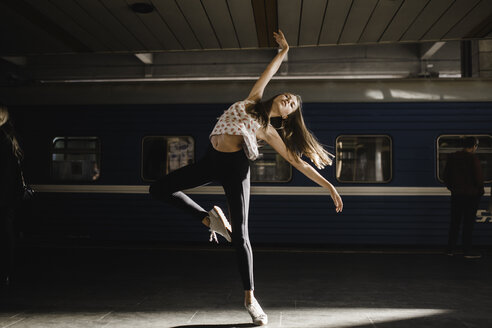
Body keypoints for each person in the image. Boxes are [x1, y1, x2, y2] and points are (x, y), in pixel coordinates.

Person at [149, 30, 343, 326]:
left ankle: (251, 299)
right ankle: (208, 219)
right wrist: (283, 52)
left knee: (241, 234)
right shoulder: (253, 100)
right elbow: (268, 72)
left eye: (293, 105)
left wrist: (329, 186)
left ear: (287, 116)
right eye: (289, 96)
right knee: (159, 189)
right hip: (211, 160)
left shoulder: (269, 129)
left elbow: (296, 162)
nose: (289, 99)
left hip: (235, 168)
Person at [443, 136, 484, 259]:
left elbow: (446, 177)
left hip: (456, 195)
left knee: (455, 222)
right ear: (473, 146)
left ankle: (450, 249)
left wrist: (453, 189)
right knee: (468, 224)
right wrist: (480, 192)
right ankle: (467, 251)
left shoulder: (452, 157)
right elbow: (478, 178)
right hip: (471, 197)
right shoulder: (473, 159)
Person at [0, 104, 24, 287]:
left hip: (3, 196)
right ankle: (6, 273)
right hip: (8, 198)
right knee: (6, 236)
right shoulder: (11, 139)